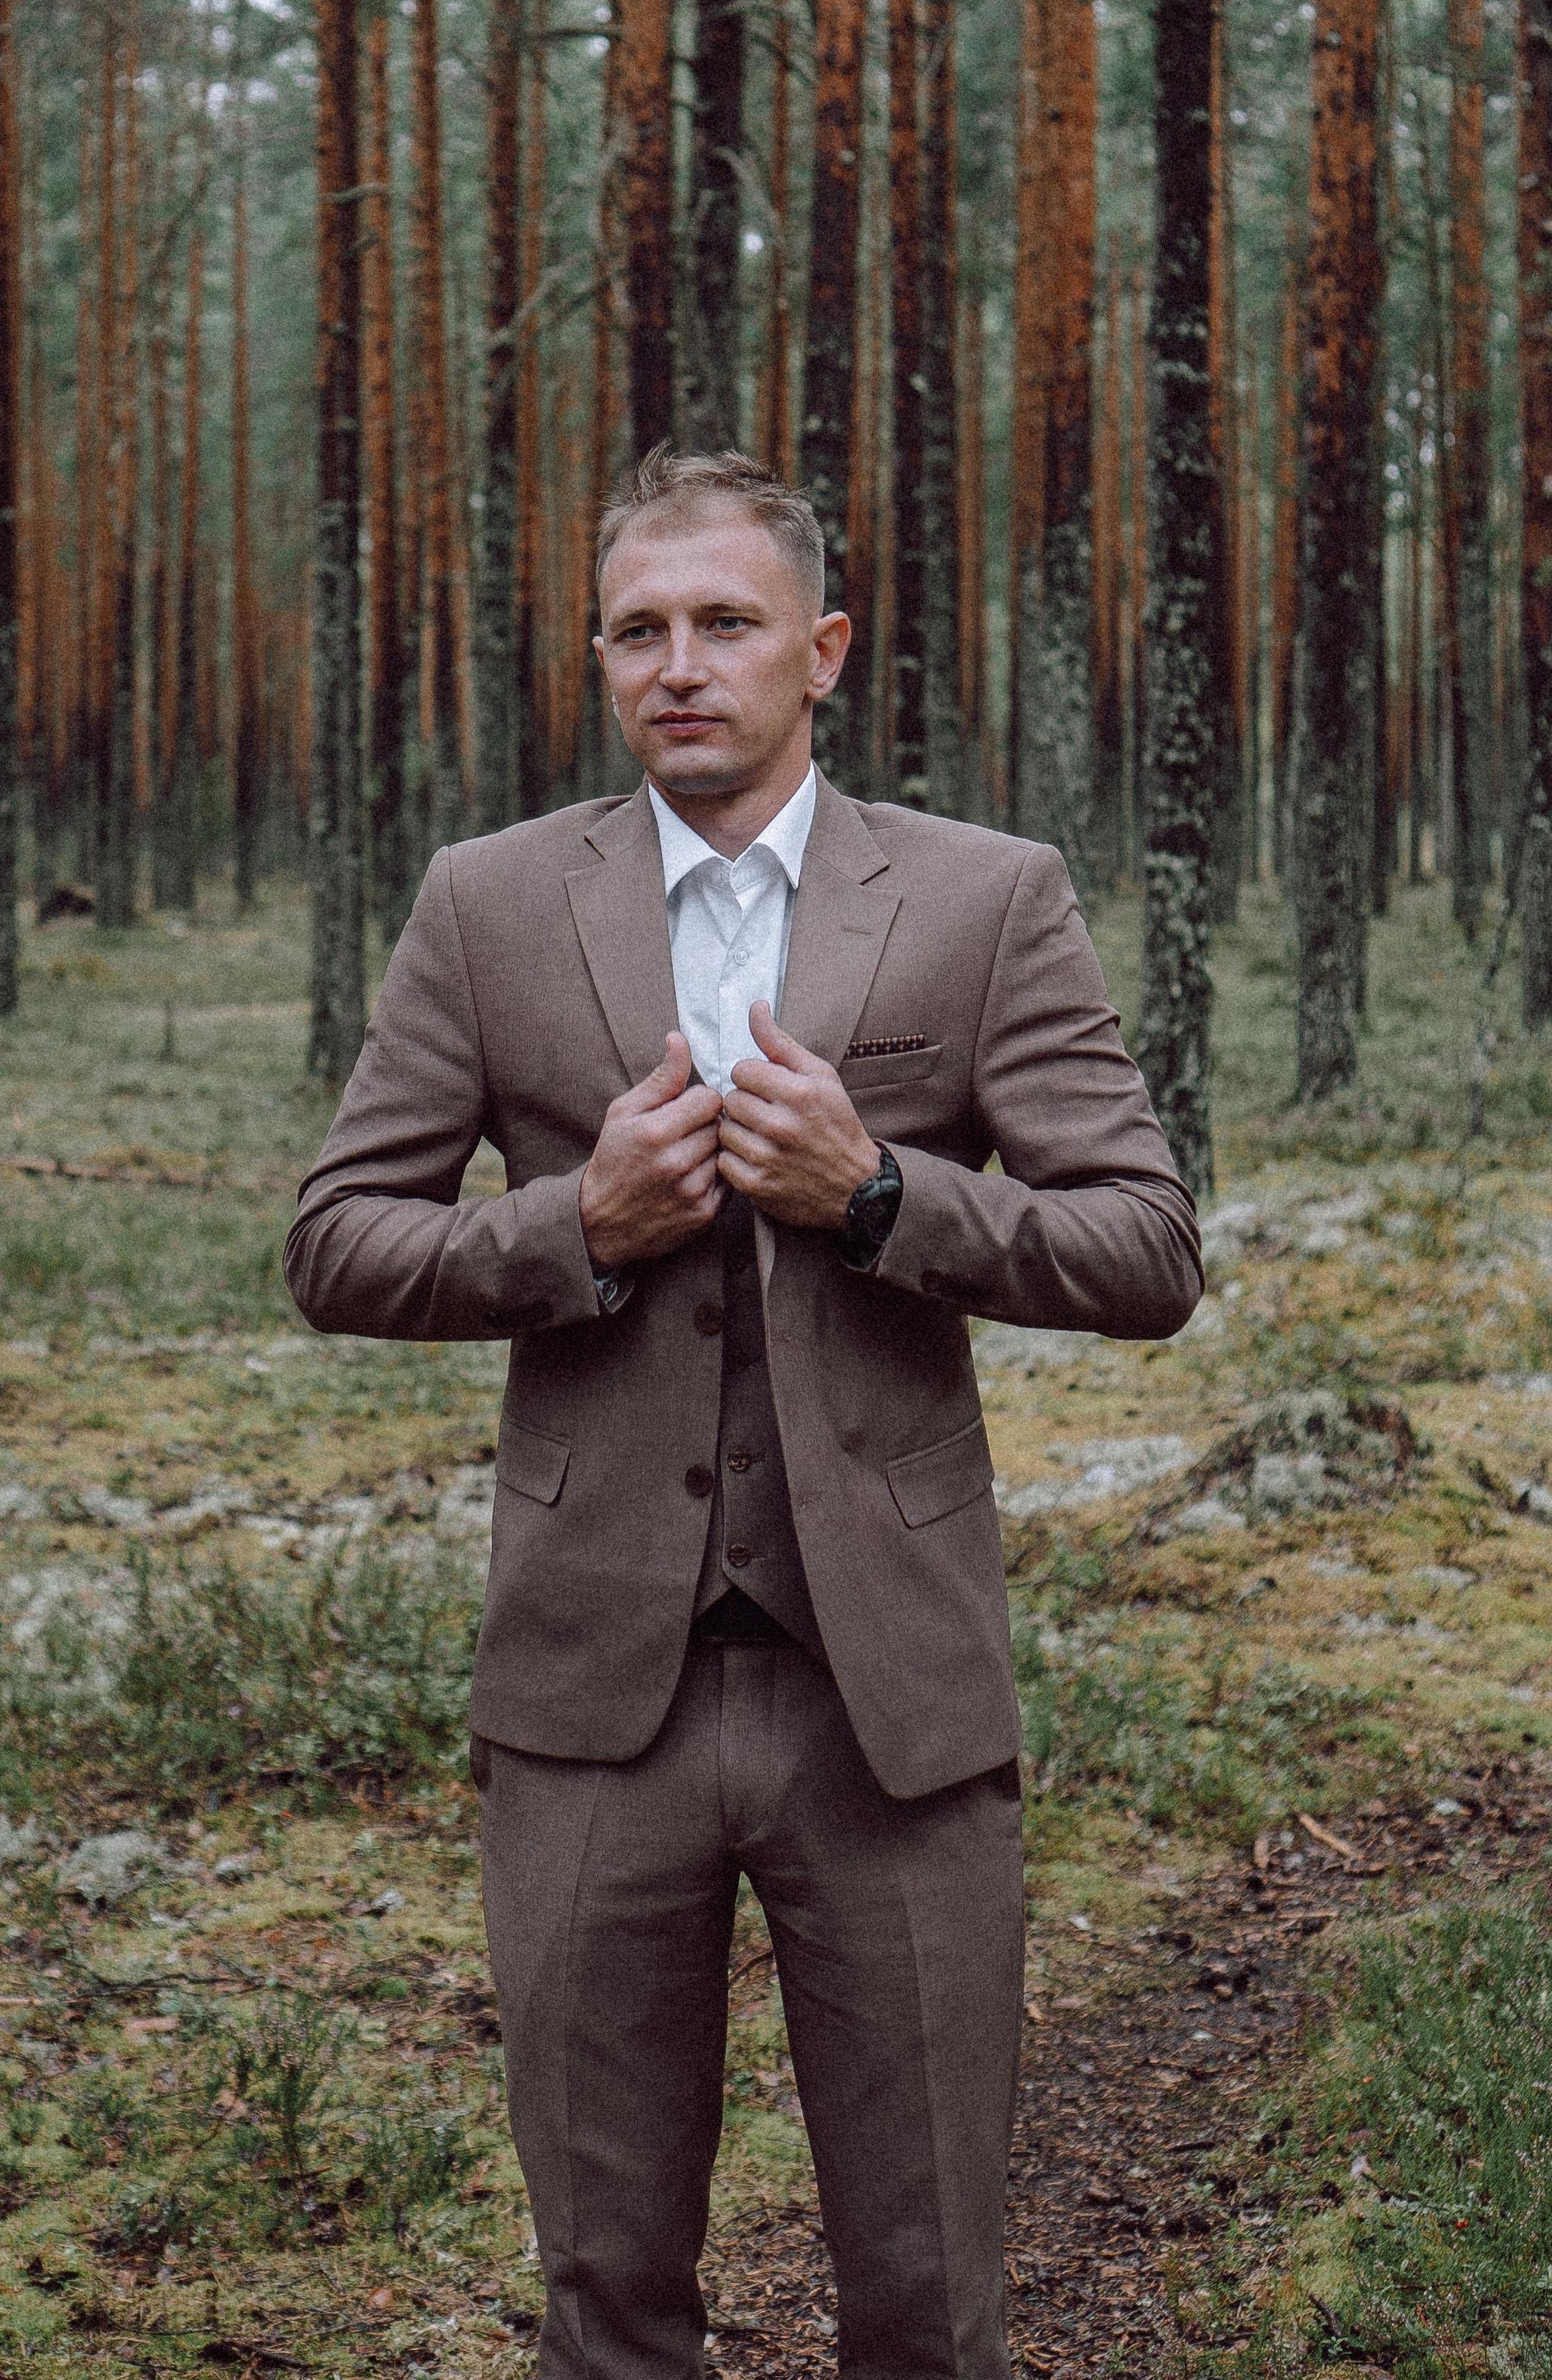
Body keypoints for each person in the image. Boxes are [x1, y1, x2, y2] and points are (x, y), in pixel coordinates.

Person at [284, 448, 1201, 2380]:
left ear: (822, 651)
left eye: (724, 623)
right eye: (638, 630)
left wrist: (878, 1198)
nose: (678, 666)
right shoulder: (487, 905)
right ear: (599, 658)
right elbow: (336, 1242)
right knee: (605, 2299)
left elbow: (1144, 1247)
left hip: (892, 1702)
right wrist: (571, 1226)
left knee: (927, 2299)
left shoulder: (980, 899)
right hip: (586, 1698)